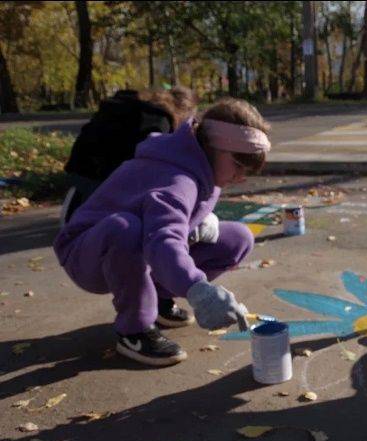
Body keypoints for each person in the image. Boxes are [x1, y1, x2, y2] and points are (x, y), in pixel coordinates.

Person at [54, 98, 270, 366]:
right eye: (239, 165)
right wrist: (197, 289)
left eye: (247, 171)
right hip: (85, 253)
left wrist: (199, 220)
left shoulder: (202, 167)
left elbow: (167, 227)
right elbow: (163, 240)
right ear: (213, 146)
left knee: (237, 238)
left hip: (138, 245)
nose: (241, 177)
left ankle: (158, 299)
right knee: (124, 229)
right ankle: (134, 329)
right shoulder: (177, 179)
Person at [60, 87, 199, 329]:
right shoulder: (158, 123)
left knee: (139, 230)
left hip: (79, 189)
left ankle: (157, 299)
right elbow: (148, 169)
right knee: (141, 233)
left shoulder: (123, 109)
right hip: (103, 196)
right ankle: (140, 318)